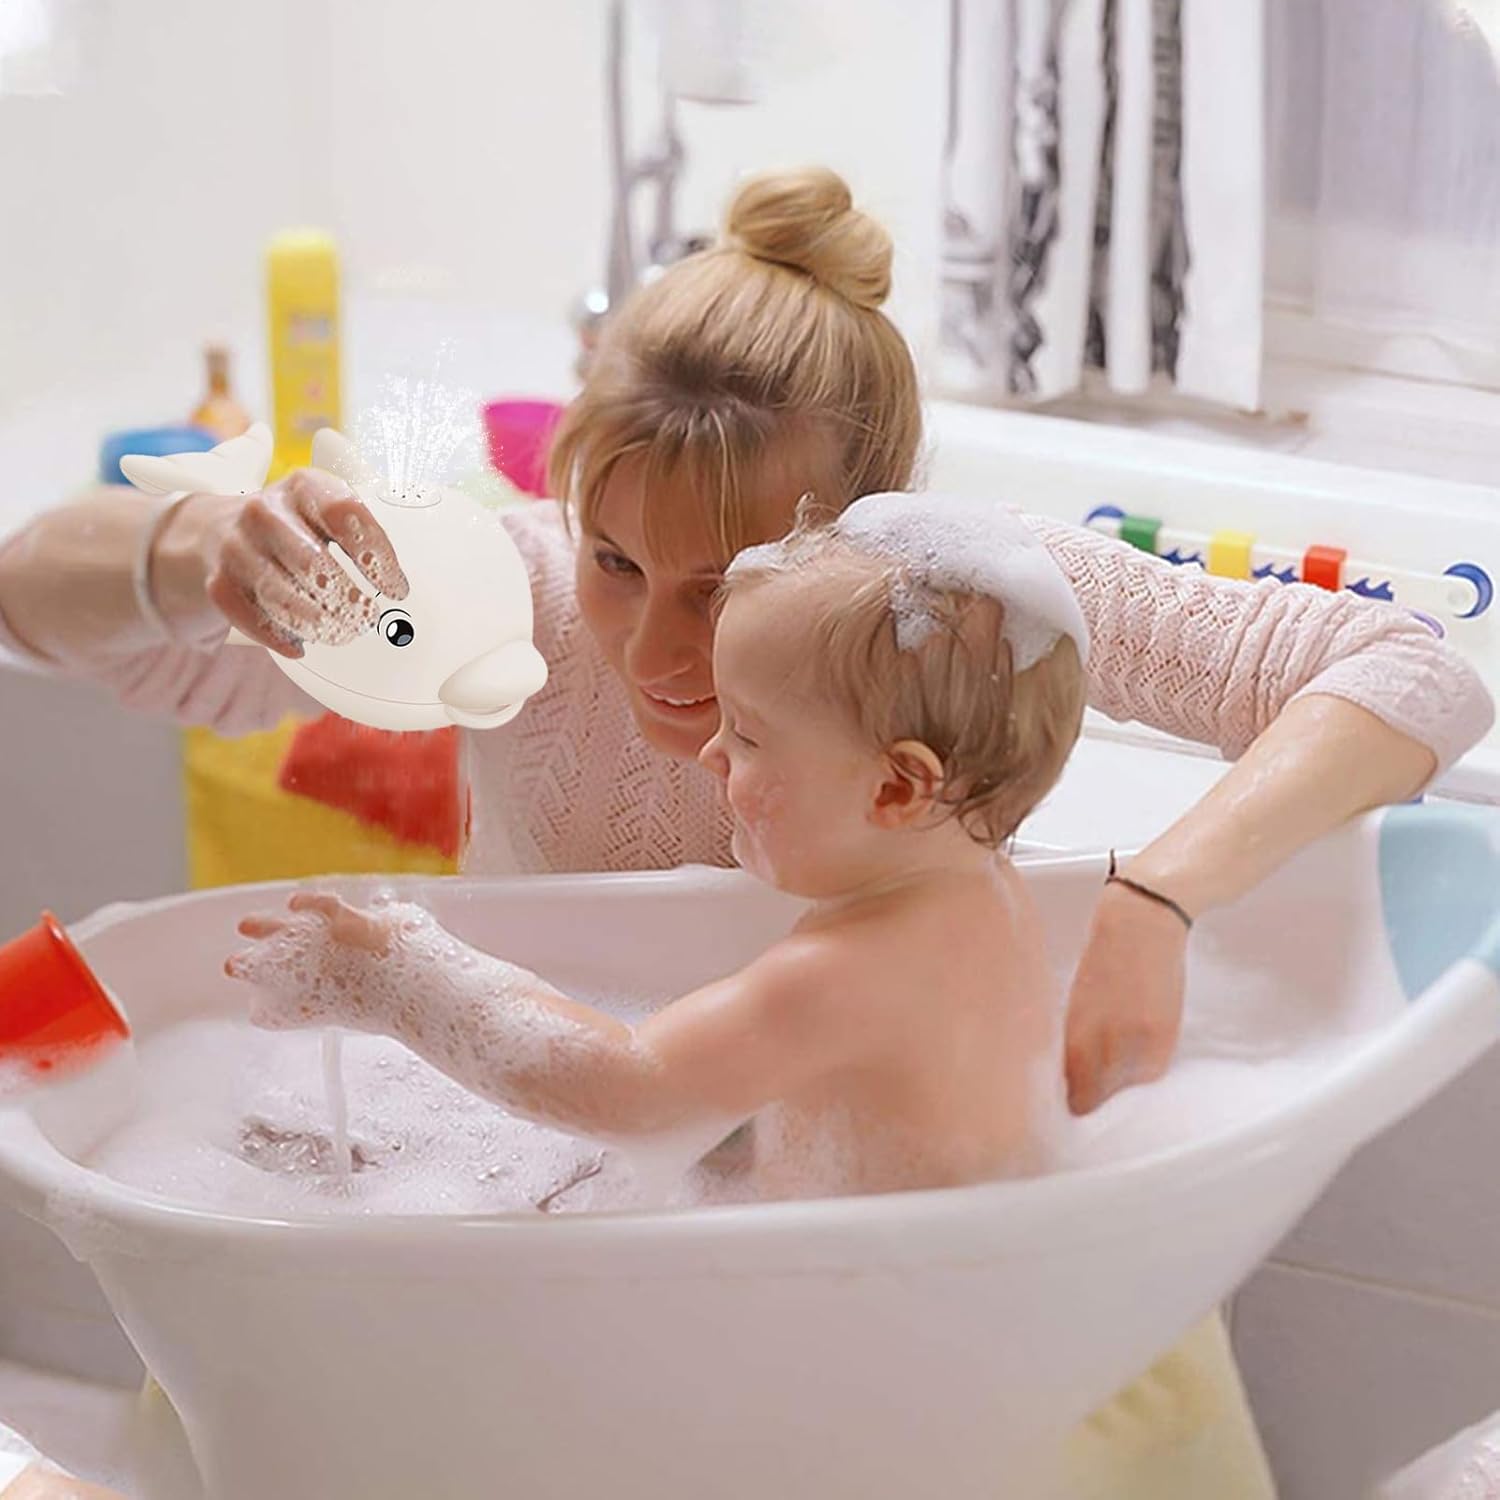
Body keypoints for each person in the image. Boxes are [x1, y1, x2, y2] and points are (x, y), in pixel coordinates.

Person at [0, 165, 1490, 1492]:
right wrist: (194, 549)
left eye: (720, 587)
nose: (655, 651)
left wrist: (1159, 899)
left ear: (870, 540)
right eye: (614, 559)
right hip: (559, 1252)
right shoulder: (499, 598)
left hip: (922, 1301)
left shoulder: (953, 607)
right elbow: (36, 608)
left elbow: (1417, 670)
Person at [225, 491, 1088, 1203]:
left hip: (843, 1310)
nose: (713, 753)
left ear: (896, 789)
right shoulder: (985, 895)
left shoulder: (840, 973)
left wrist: (399, 981)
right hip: (928, 1270)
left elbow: (630, 1090)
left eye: (748, 736)